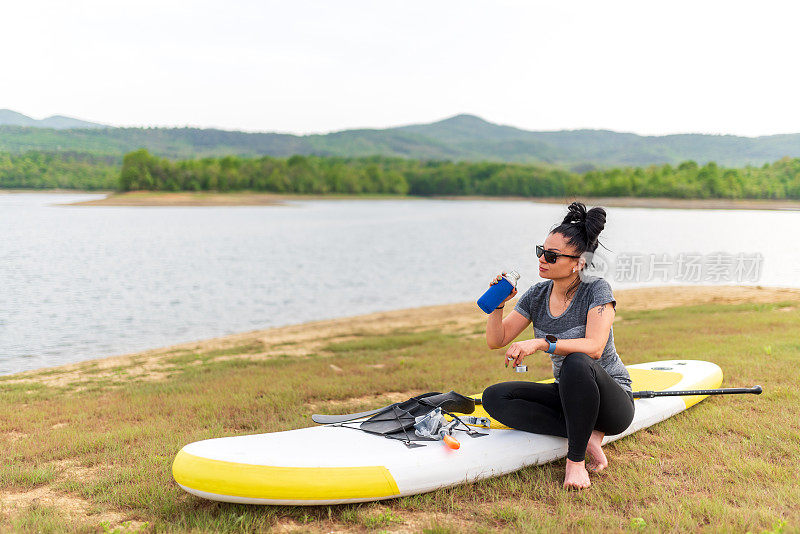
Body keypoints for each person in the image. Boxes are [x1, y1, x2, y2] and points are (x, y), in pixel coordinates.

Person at [482, 201, 634, 490]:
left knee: (577, 361)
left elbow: (594, 347)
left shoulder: (596, 289)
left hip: (612, 401)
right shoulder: (537, 294)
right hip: (569, 393)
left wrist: (541, 343)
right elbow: (496, 340)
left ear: (579, 263)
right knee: (495, 397)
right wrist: (498, 305)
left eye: (552, 256)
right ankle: (585, 433)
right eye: (541, 251)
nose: (542, 259)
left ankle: (575, 463)